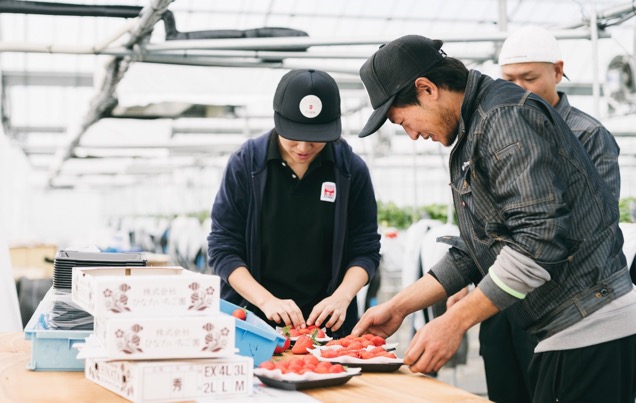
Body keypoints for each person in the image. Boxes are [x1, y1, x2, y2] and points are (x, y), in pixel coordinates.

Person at [353, 34, 636, 402]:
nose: (411, 134)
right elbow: (479, 248)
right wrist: (399, 307)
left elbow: (537, 241)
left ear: (426, 89)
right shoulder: (476, 128)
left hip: (588, 327)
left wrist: (455, 321)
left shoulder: (503, 118)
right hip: (565, 329)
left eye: (402, 120)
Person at [458, 25, 623, 403]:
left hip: (560, 310)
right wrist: (473, 286)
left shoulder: (587, 134)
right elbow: (488, 227)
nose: (518, 89)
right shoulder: (492, 134)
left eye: (529, 78)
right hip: (500, 303)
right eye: (508, 79)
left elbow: (590, 229)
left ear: (558, 70)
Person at [207, 68, 381, 337]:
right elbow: (223, 248)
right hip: (252, 318)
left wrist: (343, 297)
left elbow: (365, 248)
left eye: (315, 139)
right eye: (293, 135)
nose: (303, 147)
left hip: (327, 323)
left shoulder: (350, 170)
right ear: (278, 121)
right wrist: (266, 301)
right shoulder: (246, 165)